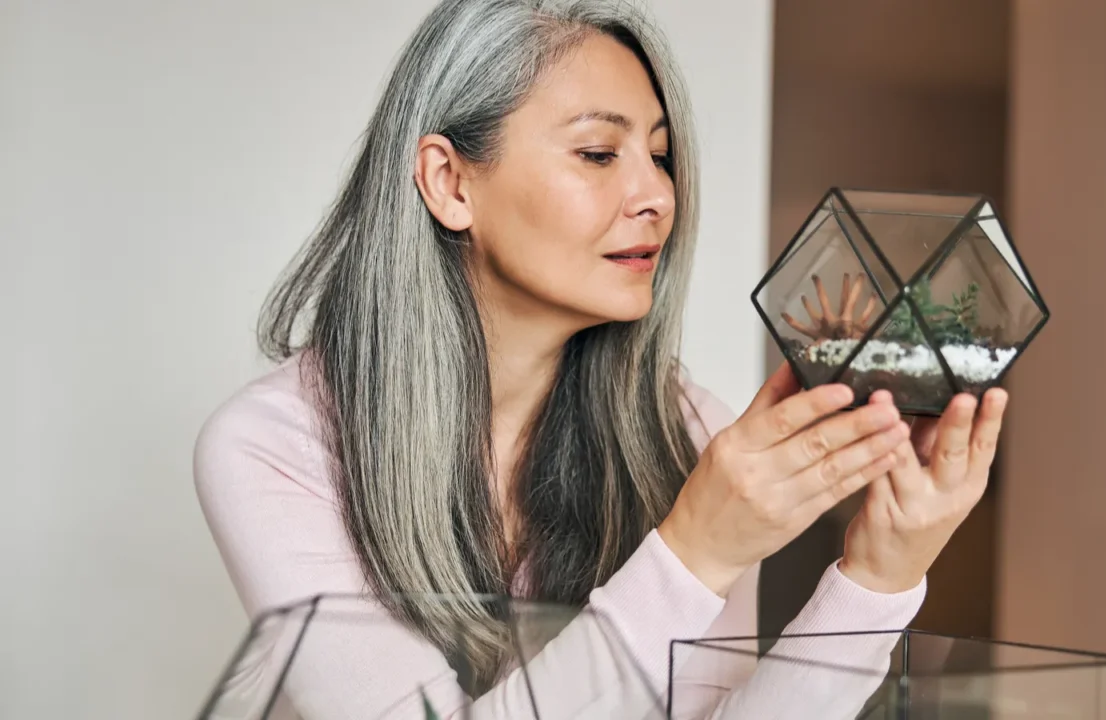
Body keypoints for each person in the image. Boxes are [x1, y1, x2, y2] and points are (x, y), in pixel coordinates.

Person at [193, 1, 1008, 718]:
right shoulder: (276, 447)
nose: (655, 196)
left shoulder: (685, 431)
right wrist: (696, 552)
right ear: (449, 183)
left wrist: (880, 569)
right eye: (596, 154)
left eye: (659, 155)